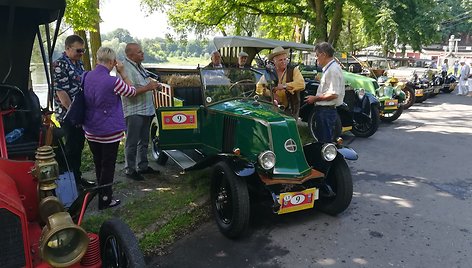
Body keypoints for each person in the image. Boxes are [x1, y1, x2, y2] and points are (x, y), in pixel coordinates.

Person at [82, 47, 156, 209]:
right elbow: (130, 91)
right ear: (112, 62)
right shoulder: (113, 81)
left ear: (97, 60)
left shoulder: (86, 76)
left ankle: (100, 193)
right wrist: (122, 73)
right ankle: (105, 199)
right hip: (108, 131)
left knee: (98, 163)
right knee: (108, 165)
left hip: (90, 129)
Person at [53, 34, 95, 188]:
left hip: (79, 113)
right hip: (68, 115)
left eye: (83, 51)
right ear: (68, 48)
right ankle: (70, 184)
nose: (81, 53)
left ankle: (77, 178)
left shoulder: (78, 63)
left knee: (78, 146)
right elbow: (61, 93)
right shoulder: (59, 65)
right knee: (71, 148)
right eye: (78, 50)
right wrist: (74, 114)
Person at [122, 43, 161, 181]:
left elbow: (145, 81)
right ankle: (130, 170)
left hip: (146, 110)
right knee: (132, 142)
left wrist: (155, 85)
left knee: (144, 141)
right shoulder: (125, 69)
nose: (142, 54)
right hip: (134, 111)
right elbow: (128, 92)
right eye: (139, 52)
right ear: (130, 55)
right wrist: (148, 87)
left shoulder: (138, 65)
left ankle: (142, 166)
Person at [304, 42, 345, 143]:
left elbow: (333, 94)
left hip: (326, 111)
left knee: (325, 143)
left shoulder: (332, 70)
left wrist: (315, 98)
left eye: (317, 55)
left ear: (323, 54)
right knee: (324, 141)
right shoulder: (331, 69)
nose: (316, 58)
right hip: (325, 111)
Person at [267, 46, 305, 119]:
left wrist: (284, 86)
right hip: (273, 108)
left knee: (289, 128)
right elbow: (259, 87)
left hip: (291, 109)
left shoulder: (294, 70)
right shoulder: (269, 72)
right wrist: (271, 94)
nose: (284, 62)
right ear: (274, 61)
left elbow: (301, 84)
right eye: (280, 60)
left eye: (285, 59)